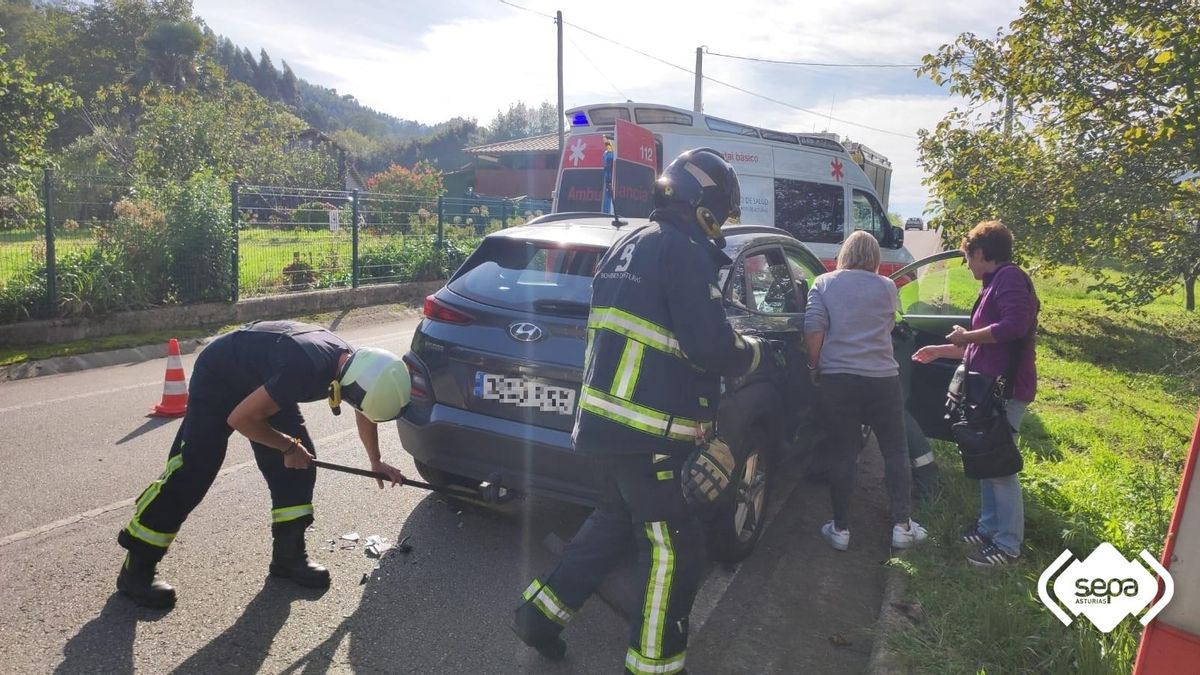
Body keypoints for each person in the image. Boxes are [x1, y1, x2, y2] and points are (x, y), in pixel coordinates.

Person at [512, 148, 771, 674]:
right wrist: (752, 350)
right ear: (704, 204)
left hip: (606, 429)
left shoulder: (628, 243)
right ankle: (653, 666)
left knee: (611, 525)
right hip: (650, 432)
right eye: (720, 214)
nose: (720, 226)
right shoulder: (683, 250)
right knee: (674, 551)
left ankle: (539, 616)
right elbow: (709, 347)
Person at [116, 320, 411, 609]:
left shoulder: (355, 366)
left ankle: (288, 557)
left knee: (299, 466)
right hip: (221, 376)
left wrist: (375, 460)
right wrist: (288, 445)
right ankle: (138, 566)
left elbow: (363, 410)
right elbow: (241, 419)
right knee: (195, 469)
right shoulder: (304, 370)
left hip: (264, 377)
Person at [913, 220, 1038, 566]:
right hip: (986, 388)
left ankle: (1008, 546)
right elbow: (984, 345)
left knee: (1000, 466)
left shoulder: (1010, 279)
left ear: (981, 253)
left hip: (1005, 390)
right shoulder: (994, 283)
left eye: (968, 257)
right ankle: (988, 529)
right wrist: (941, 350)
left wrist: (965, 337)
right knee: (984, 458)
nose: (967, 265)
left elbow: (1014, 328)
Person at [805, 230, 928, 552]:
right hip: (881, 379)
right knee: (895, 451)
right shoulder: (887, 287)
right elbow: (887, 327)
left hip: (838, 379)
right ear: (875, 258)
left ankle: (841, 528)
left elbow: (814, 328)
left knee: (843, 453)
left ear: (845, 253)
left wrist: (814, 367)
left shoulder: (823, 283)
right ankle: (902, 526)